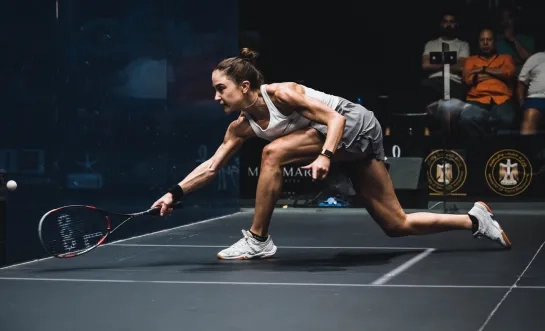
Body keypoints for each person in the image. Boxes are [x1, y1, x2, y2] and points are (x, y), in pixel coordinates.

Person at [151, 48, 512, 260]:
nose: (216, 97)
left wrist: (325, 155)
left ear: (245, 86)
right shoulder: (240, 126)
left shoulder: (282, 94)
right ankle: (475, 219)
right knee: (396, 225)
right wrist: (175, 192)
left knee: (273, 153)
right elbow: (212, 166)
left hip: (356, 125)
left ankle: (258, 240)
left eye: (221, 89)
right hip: (343, 146)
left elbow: (336, 118)